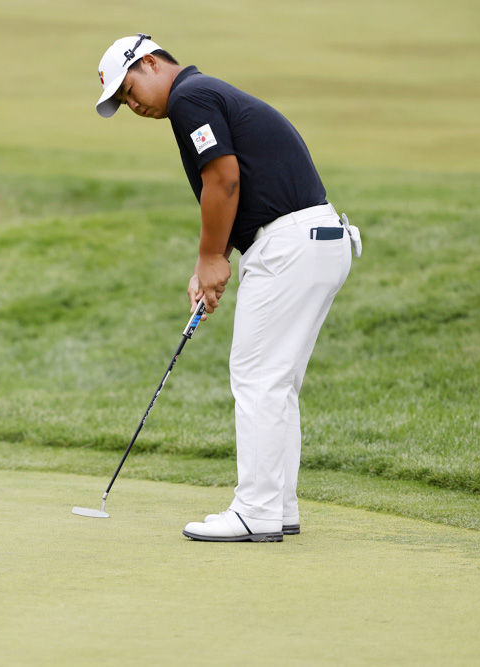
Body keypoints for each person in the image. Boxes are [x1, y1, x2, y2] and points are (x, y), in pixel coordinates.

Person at [95, 34, 360, 542]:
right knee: (275, 382)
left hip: (290, 245)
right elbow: (243, 191)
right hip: (315, 240)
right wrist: (215, 262)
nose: (133, 106)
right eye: (123, 103)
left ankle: (256, 510)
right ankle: (279, 505)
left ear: (150, 63)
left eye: (129, 90)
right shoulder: (205, 95)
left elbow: (224, 179)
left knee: (257, 377)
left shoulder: (189, 98)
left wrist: (211, 256)